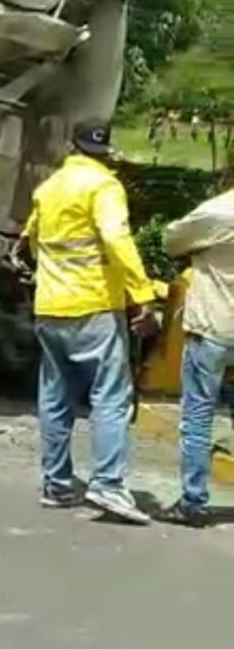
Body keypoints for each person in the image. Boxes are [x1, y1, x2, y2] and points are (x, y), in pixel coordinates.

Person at [15, 119, 157, 525]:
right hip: (94, 306)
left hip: (50, 308)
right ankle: (108, 485)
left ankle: (57, 485)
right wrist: (142, 294)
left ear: (72, 146)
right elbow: (116, 239)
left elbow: (28, 241)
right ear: (105, 151)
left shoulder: (49, 188)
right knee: (111, 397)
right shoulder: (104, 186)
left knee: (55, 398)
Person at [159, 187, 234, 527]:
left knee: (198, 416)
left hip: (213, 329)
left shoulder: (217, 212)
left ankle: (193, 502)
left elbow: (172, 241)